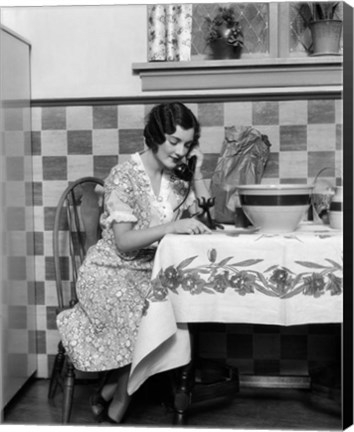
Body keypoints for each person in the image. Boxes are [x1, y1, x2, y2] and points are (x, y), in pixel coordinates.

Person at [56, 102, 212, 424]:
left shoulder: (178, 181)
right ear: (155, 135)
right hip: (108, 272)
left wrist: (196, 173)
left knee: (167, 313)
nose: (181, 151)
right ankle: (121, 402)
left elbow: (204, 213)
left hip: (149, 272)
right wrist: (171, 226)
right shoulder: (123, 177)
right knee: (146, 316)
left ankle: (111, 388)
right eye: (174, 141)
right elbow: (125, 242)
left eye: (188, 144)